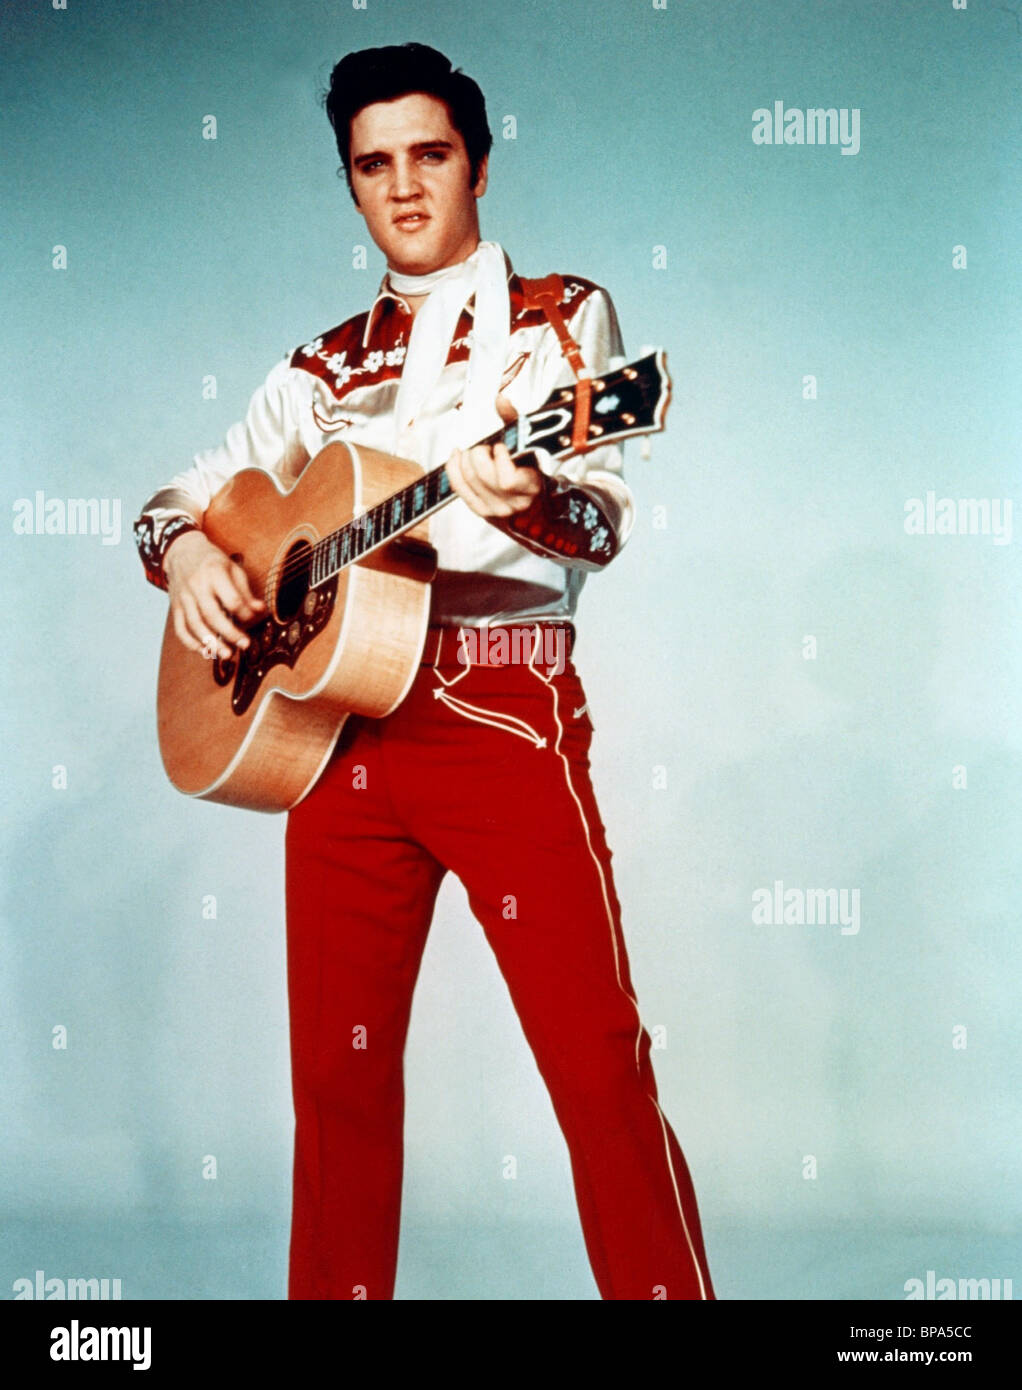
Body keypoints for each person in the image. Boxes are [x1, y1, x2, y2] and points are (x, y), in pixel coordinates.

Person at [133, 42, 716, 1301]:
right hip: (336, 732)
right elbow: (184, 494)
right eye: (372, 164)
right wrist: (183, 552)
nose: (403, 188)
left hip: (497, 708)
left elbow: (602, 524)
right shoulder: (318, 366)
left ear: (481, 165)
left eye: (431, 155)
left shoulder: (563, 320)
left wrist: (529, 498)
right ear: (350, 185)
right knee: (337, 1096)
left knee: (596, 1066)